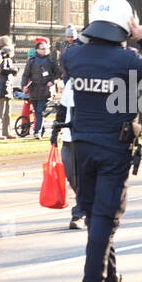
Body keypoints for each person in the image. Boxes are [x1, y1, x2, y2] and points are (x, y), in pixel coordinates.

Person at [61, 0, 142, 282]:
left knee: (92, 213)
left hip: (80, 146)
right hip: (114, 147)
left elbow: (81, 48)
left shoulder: (72, 56)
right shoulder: (126, 60)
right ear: (126, 25)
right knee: (105, 217)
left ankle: (109, 277)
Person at [50, 80, 87, 229]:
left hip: (89, 138)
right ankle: (88, 205)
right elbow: (63, 108)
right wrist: (56, 129)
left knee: (84, 177)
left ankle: (80, 213)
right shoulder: (72, 82)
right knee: (71, 174)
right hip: (68, 138)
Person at [21, 37, 58, 138]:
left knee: (40, 111)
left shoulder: (51, 60)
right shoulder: (31, 61)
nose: (44, 50)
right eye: (42, 48)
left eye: (46, 48)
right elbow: (25, 75)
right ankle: (40, 129)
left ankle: (37, 131)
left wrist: (52, 81)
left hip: (45, 90)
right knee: (36, 110)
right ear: (37, 49)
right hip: (34, 90)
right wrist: (24, 86)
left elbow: (58, 73)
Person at [0, 35, 17, 139]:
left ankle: (6, 132)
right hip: (0, 88)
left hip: (7, 87)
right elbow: (1, 69)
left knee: (7, 113)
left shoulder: (8, 57)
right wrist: (12, 70)